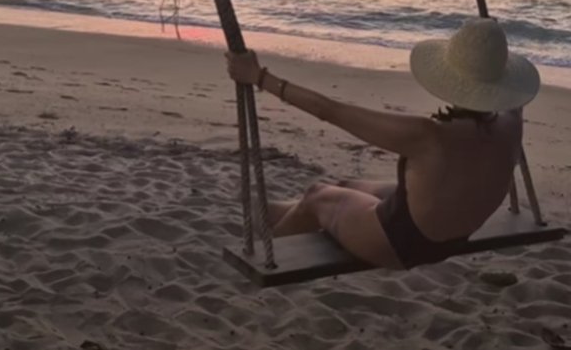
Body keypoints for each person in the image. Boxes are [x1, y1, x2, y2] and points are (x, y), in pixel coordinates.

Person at [226, 17, 540, 269]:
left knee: (317, 196)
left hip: (401, 244)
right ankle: (270, 212)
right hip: (456, 233)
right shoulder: (512, 123)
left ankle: (271, 245)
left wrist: (258, 77)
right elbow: (512, 98)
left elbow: (330, 111)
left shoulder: (428, 136)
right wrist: (489, 46)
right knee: (345, 186)